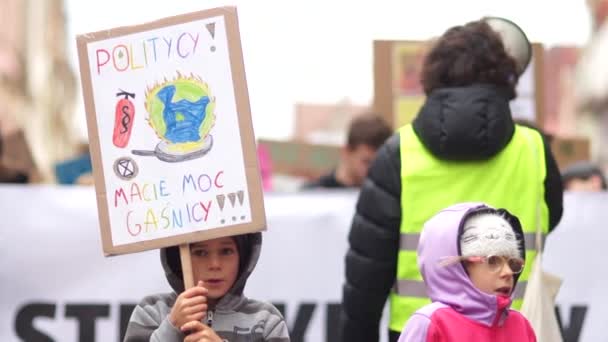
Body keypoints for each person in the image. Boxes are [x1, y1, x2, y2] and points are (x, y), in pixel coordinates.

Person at [340, 18, 563, 342]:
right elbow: (550, 220)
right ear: (506, 77)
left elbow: (365, 281)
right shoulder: (533, 151)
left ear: (432, 77)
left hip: (421, 331)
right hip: (518, 327)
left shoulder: (398, 153)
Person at [398, 203, 536, 341]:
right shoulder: (432, 323)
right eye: (493, 261)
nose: (508, 272)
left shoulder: (520, 324)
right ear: (460, 267)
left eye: (512, 263)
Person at [124, 233, 290, 341]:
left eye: (226, 251)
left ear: (243, 257)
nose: (214, 264)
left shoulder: (267, 320)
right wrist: (171, 327)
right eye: (201, 253)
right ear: (179, 258)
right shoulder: (151, 311)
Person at [301, 114, 392, 189]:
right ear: (346, 152)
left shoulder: (385, 195)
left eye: (379, 164)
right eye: (366, 162)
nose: (373, 171)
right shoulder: (313, 194)